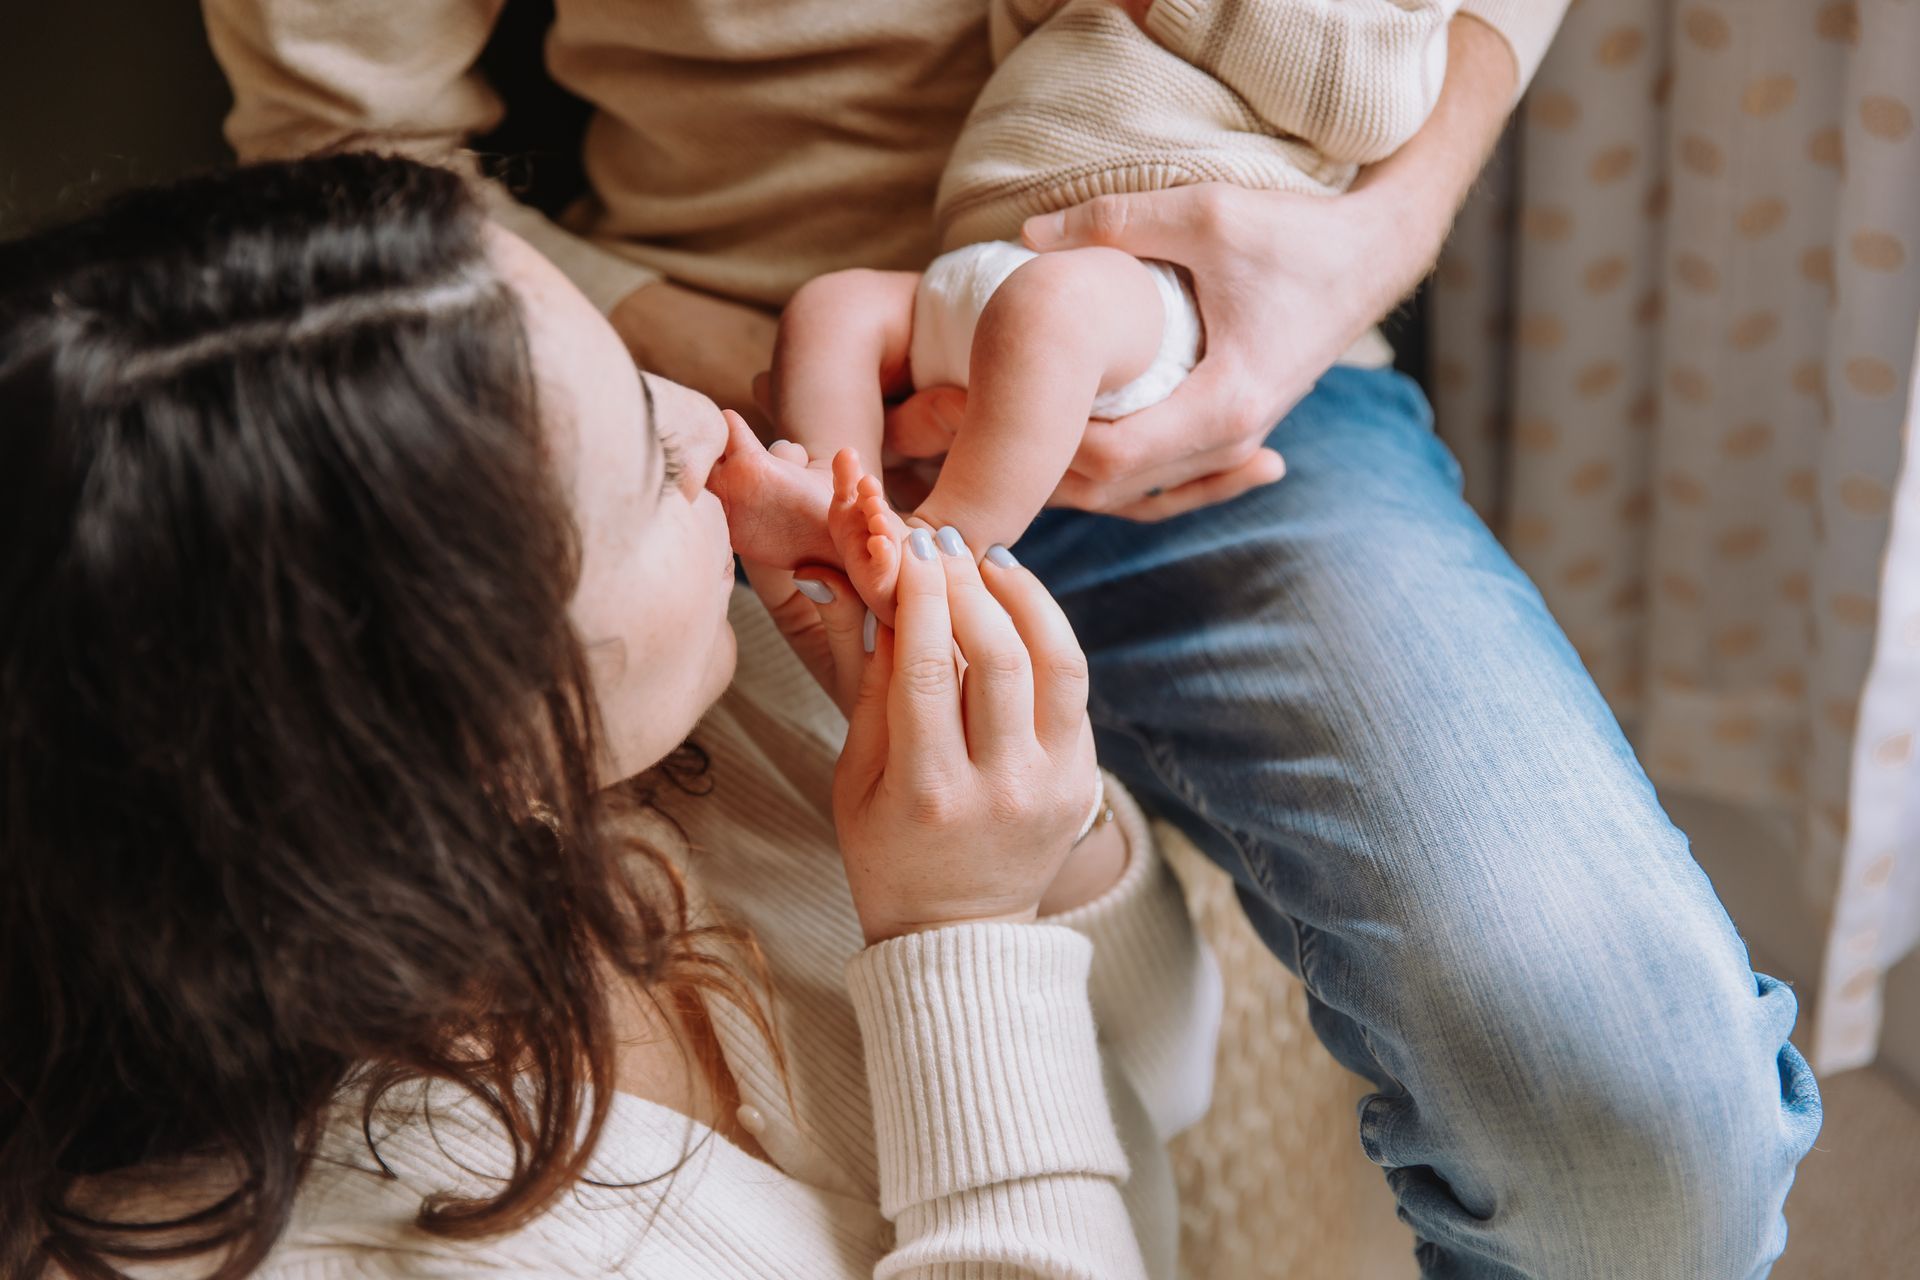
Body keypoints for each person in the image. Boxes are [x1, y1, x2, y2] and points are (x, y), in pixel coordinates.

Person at [201, 1, 1825, 1274]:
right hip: (746, 395)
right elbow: (346, 159)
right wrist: (712, 409)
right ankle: (884, 522)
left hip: (1235, 391)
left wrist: (1348, 252)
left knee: (1642, 1123)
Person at [0, 154, 1219, 1279]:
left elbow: (1159, 1072)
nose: (711, 421)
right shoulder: (379, 1247)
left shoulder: (699, 712)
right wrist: (961, 931)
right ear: (471, 749)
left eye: (641, 377)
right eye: (650, 461)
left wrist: (1014, 841)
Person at [751, 0, 1464, 581]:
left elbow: (1368, 104)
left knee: (1049, 311)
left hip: (1145, 289)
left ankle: (942, 545)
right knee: (832, 307)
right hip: (986, 261)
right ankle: (837, 498)